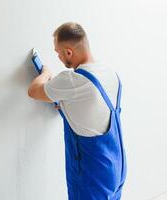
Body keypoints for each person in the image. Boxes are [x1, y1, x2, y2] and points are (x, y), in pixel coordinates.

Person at [27, 22, 127, 200]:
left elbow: (33, 91)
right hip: (116, 167)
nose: (58, 56)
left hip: (91, 172)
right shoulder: (110, 73)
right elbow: (94, 108)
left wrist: (45, 73)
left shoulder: (73, 80)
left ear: (68, 52)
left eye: (58, 52)